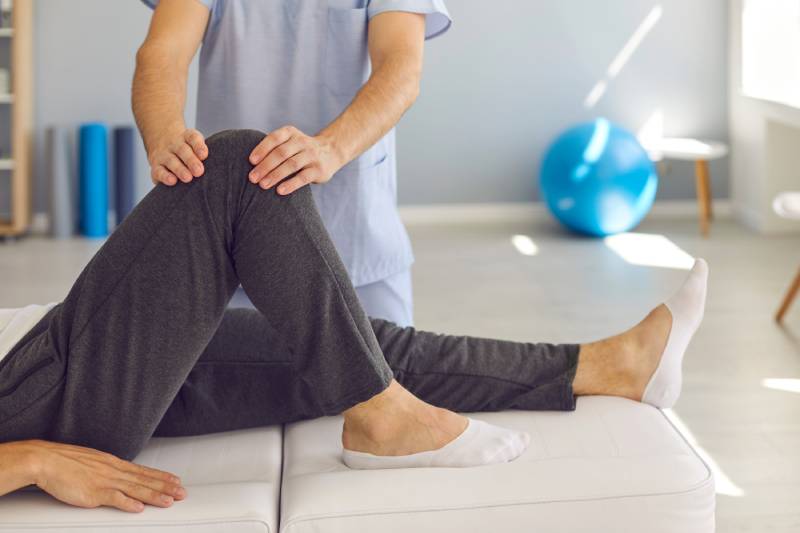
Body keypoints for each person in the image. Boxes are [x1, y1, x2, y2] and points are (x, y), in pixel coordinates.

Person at [0, 130, 708, 513]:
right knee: (238, 168)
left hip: (28, 362)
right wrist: (30, 457)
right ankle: (385, 418)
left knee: (354, 349)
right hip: (26, 394)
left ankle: (608, 366)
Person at [132, 0, 451, 326]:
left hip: (354, 237)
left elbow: (399, 68)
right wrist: (164, 136)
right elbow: (162, 54)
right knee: (229, 373)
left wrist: (331, 148)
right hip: (232, 240)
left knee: (388, 370)